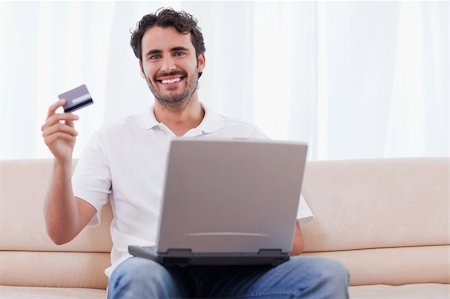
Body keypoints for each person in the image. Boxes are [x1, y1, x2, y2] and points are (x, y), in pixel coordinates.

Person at [41, 8, 349, 299]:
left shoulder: (246, 136)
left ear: (200, 61)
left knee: (327, 274)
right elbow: (60, 232)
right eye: (154, 56)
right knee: (137, 275)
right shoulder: (111, 139)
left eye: (178, 52)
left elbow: (293, 242)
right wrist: (61, 161)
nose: (167, 66)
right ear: (142, 68)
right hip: (153, 275)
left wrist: (227, 237)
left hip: (235, 279)